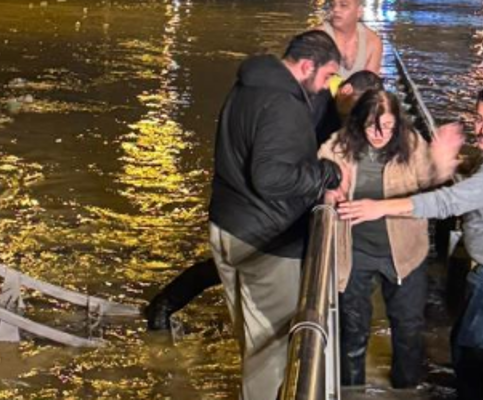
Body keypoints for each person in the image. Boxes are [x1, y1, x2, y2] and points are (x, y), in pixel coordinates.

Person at [145, 68, 388, 333]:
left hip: (298, 200)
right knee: (240, 261)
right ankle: (165, 304)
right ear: (345, 91)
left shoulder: (342, 111)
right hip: (275, 201)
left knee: (259, 264)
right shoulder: (312, 102)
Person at [207, 30, 347, 400]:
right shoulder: (283, 104)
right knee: (271, 348)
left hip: (228, 227)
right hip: (267, 239)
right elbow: (271, 177)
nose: (326, 86)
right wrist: (327, 174)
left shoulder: (245, 87)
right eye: (327, 75)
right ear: (306, 66)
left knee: (250, 338)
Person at [340, 89, 483, 399]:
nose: (478, 130)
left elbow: (448, 200)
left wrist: (380, 206)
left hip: (410, 256)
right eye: (478, 120)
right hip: (359, 254)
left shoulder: (411, 144)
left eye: (388, 126)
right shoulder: (340, 147)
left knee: (466, 351)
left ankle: (410, 386)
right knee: (353, 329)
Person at [316, 0, 383, 78]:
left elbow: (370, 84)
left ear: (359, 12)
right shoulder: (317, 38)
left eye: (343, 5)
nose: (335, 9)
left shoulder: (373, 42)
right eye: (332, 5)